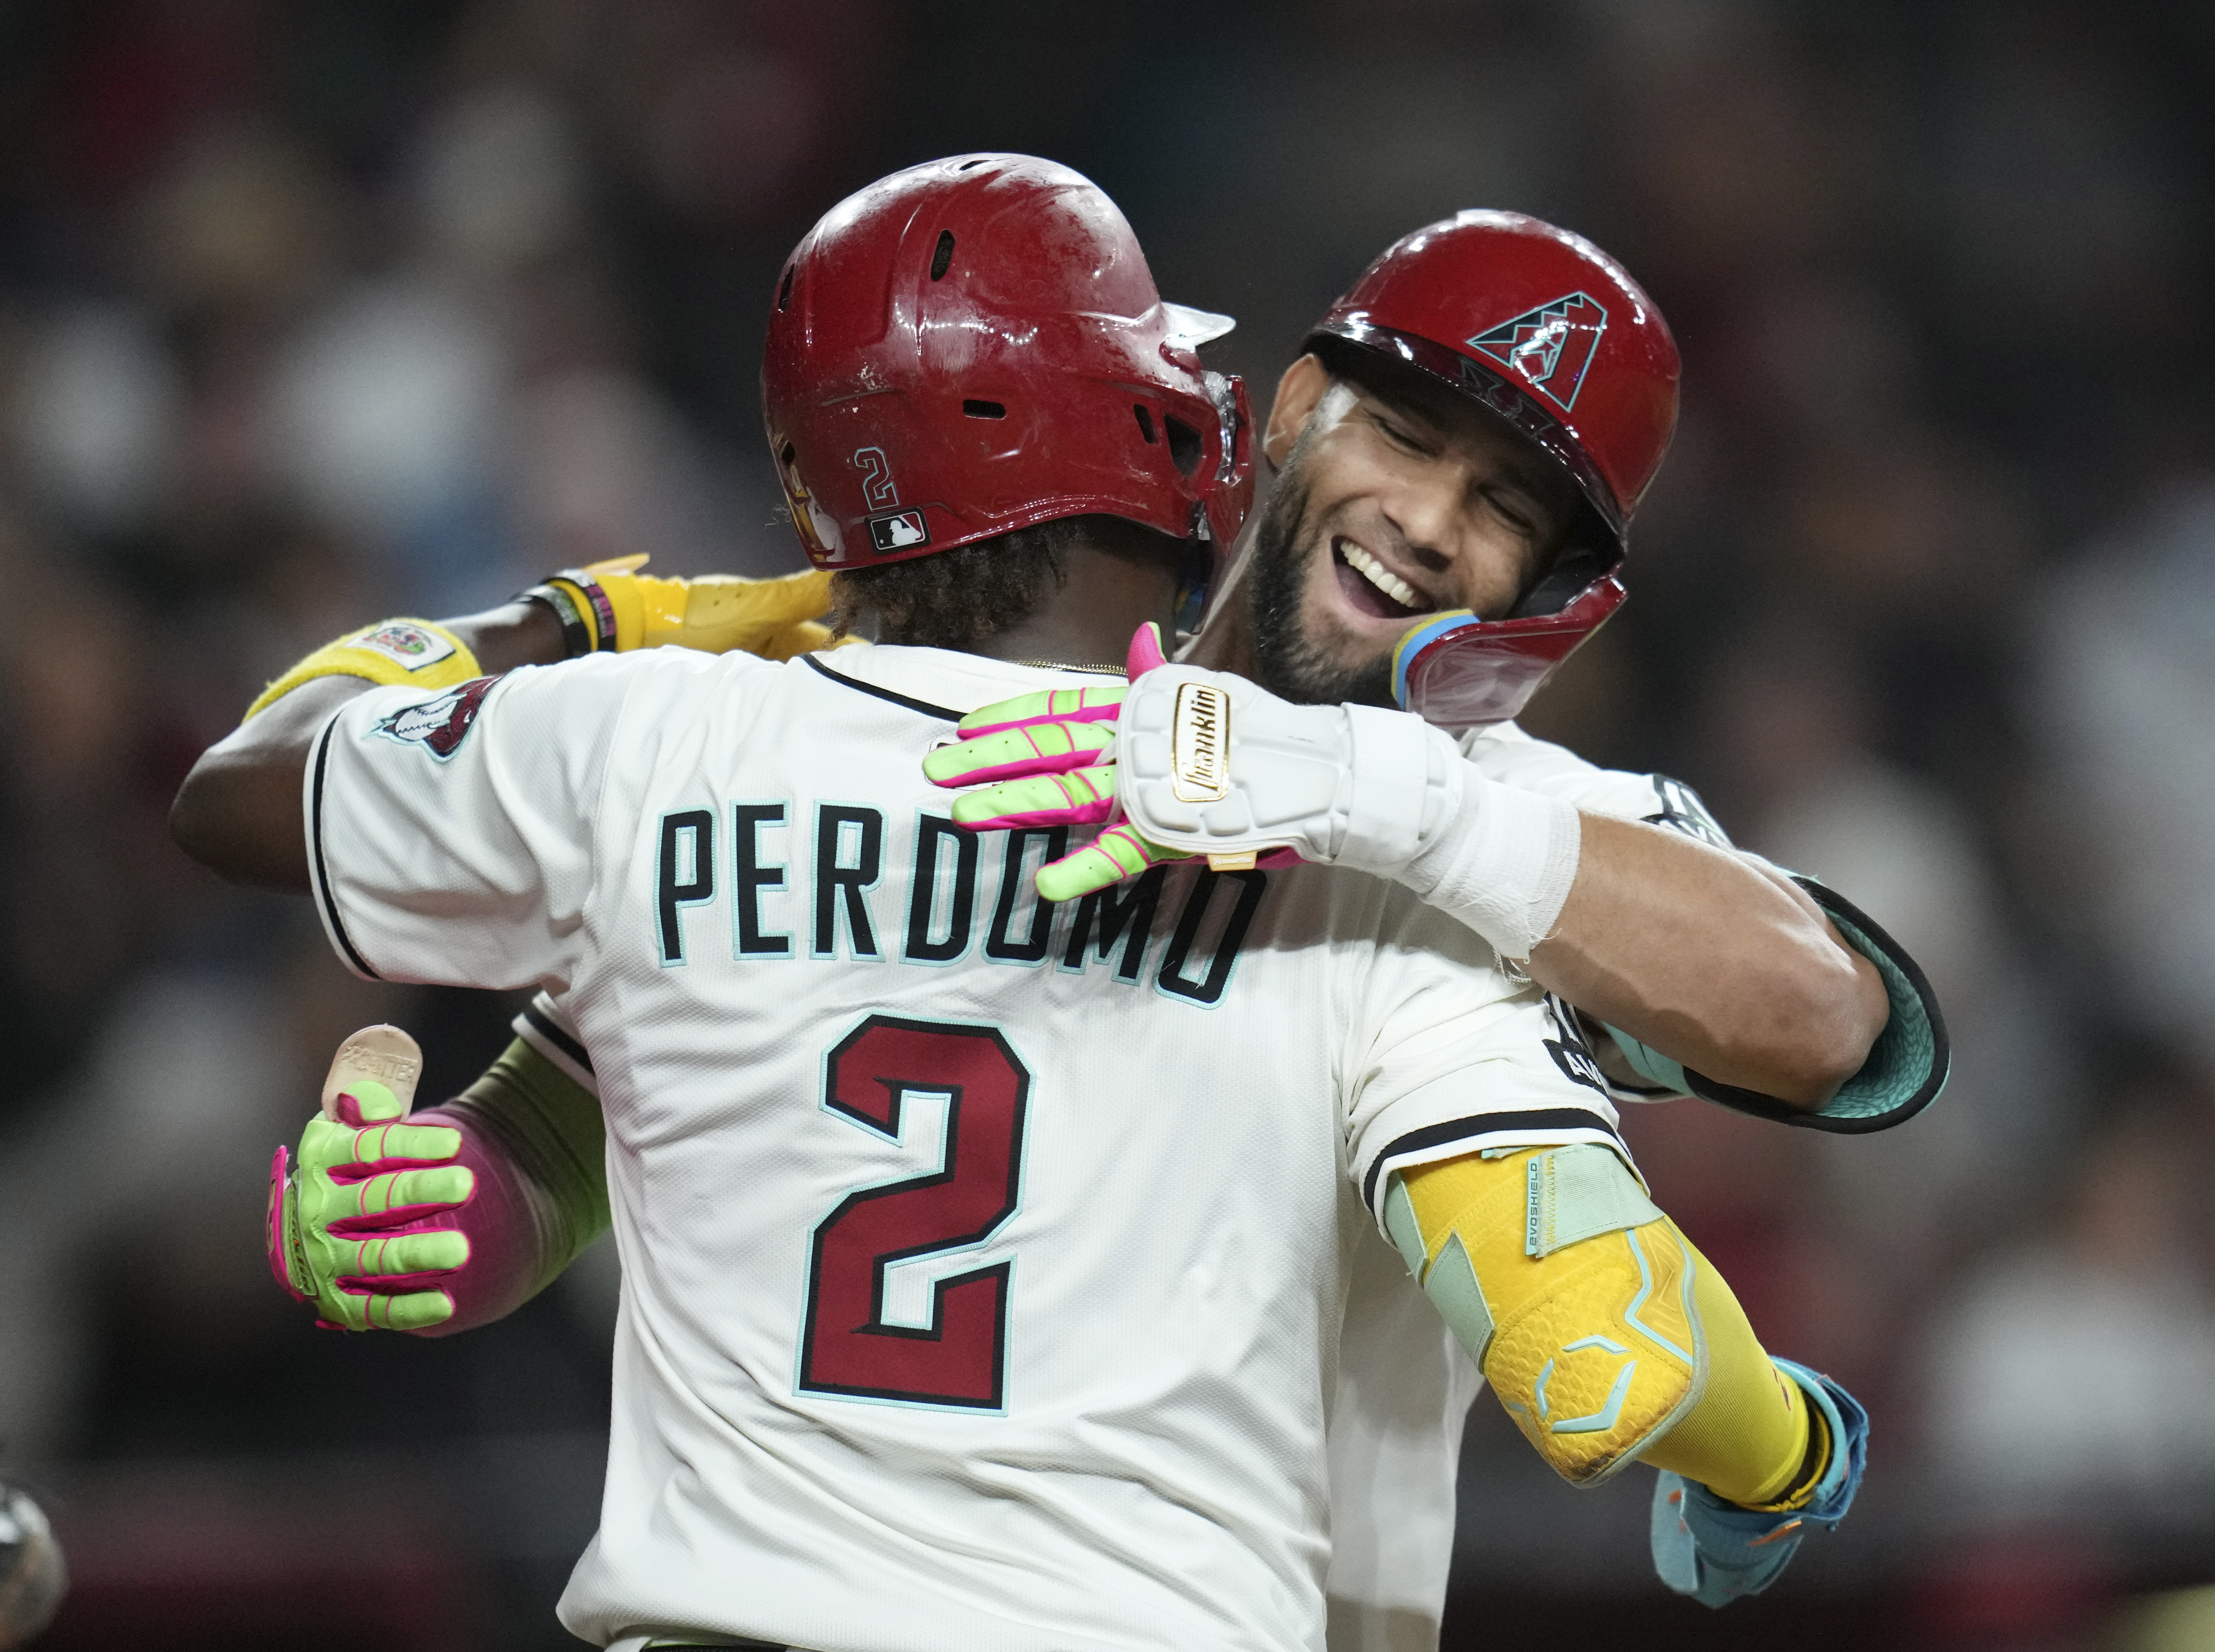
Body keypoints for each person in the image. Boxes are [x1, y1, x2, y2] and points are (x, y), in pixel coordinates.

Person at [176, 156, 1867, 1652]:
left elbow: (262, 799)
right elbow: (1601, 1350)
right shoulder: (1402, 894)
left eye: (1503, 510)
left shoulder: (672, 743)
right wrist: (1782, 1454)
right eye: (1412, 442)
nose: (1430, 525)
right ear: (1247, 415)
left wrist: (608, 624)